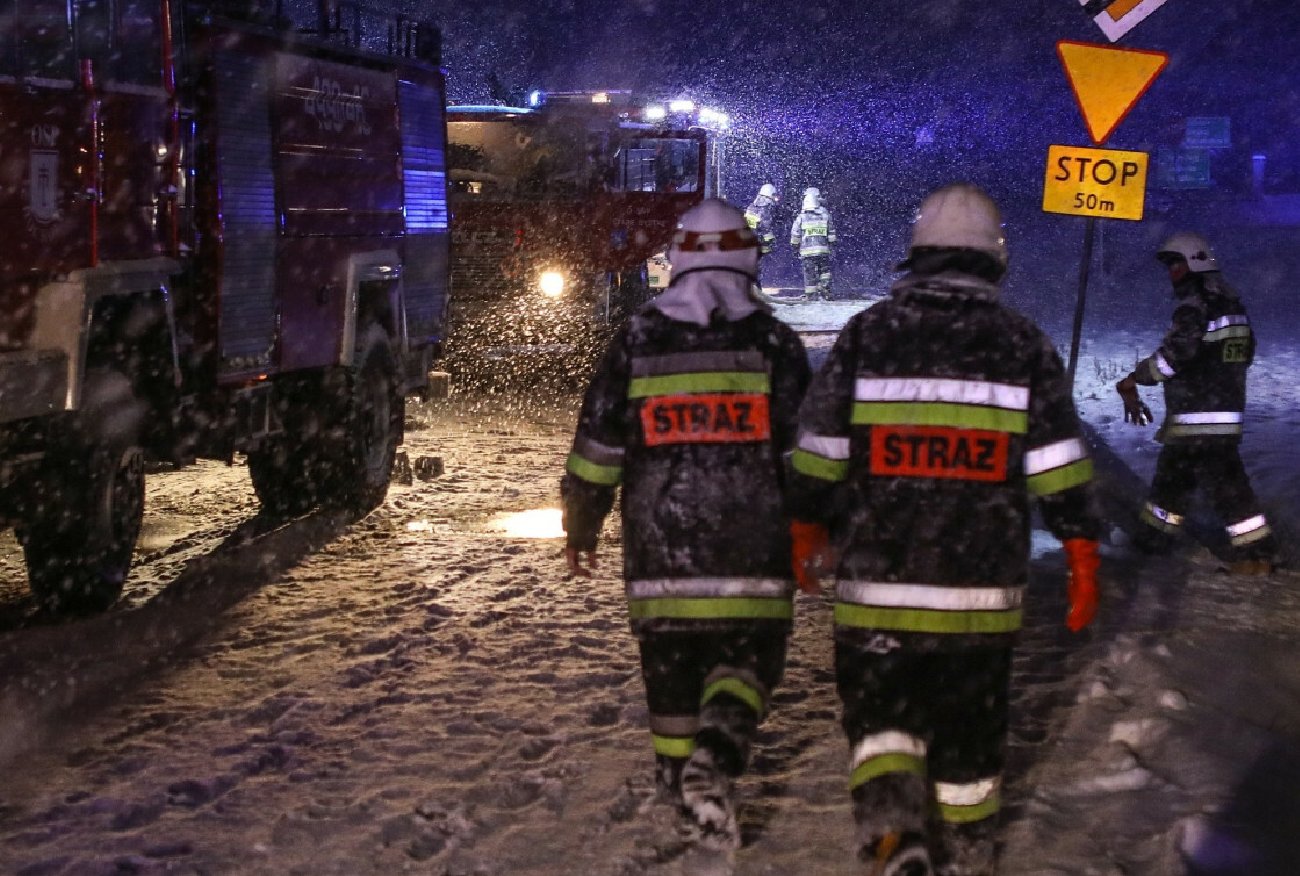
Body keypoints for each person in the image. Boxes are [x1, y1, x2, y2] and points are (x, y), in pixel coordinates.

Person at [786, 183, 1102, 875]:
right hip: (980, 595)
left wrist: (805, 525)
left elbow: (819, 449)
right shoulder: (1022, 344)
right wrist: (1081, 550)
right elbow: (1057, 464)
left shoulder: (870, 333)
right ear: (996, 261)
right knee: (970, 730)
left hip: (878, 585)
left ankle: (894, 833)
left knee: (880, 721)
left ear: (917, 257)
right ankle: (965, 850)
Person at [560, 198, 812, 851]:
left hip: (659, 555)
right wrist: (816, 525)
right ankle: (715, 763)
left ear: (679, 259)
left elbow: (599, 446)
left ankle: (683, 795)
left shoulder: (640, 337)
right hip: (752, 554)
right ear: (749, 258)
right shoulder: (773, 344)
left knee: (670, 679)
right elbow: (804, 457)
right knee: (746, 664)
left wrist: (581, 524)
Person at [1116, 232, 1278, 573]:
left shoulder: (1195, 308)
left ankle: (1256, 554)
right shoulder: (1232, 306)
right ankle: (1154, 541)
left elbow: (1172, 359)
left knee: (1224, 488)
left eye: (1177, 263)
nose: (1172, 271)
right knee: (1176, 482)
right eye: (1170, 265)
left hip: (1196, 417)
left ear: (1195, 264)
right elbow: (1245, 352)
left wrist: (1135, 378)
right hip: (1221, 414)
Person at [790, 186, 835, 300]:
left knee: (809, 274)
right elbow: (831, 232)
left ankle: (811, 295)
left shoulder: (801, 217)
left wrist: (795, 245)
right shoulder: (825, 215)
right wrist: (831, 244)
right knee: (824, 272)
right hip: (823, 251)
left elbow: (795, 234)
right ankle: (825, 290)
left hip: (807, 253)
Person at [743, 182, 780, 257]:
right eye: (773, 195)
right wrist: (771, 240)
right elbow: (765, 228)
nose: (775, 198)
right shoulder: (765, 210)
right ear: (768, 195)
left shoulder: (751, 207)